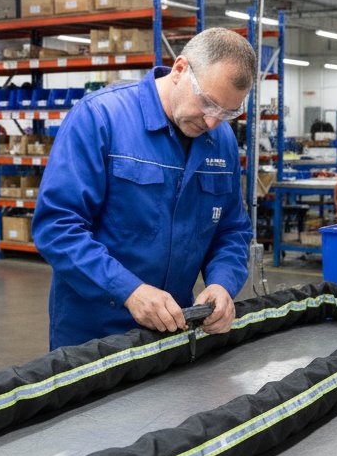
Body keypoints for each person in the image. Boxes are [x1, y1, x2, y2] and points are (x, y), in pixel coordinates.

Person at [33, 27, 256, 350]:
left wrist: (223, 283)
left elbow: (231, 231)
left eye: (227, 113)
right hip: (92, 335)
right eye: (207, 103)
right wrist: (129, 291)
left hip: (171, 328)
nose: (212, 122)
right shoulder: (100, 118)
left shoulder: (221, 143)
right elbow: (57, 227)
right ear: (180, 69)